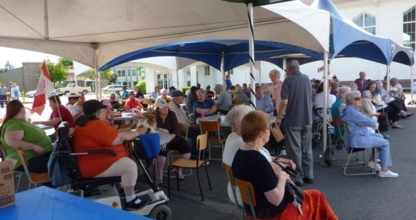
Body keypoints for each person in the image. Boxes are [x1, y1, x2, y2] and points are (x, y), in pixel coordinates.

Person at [232, 111, 338, 219]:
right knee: (317, 198)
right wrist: (282, 177)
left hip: (256, 210)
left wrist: (276, 176)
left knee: (316, 194)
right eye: (268, 127)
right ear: (261, 133)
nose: (270, 130)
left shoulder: (240, 154)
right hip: (274, 214)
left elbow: (258, 180)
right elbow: (276, 200)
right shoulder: (258, 161)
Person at [71, 100, 148, 210]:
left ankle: (124, 188)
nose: (105, 114)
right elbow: (117, 139)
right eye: (103, 112)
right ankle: (130, 200)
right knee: (130, 167)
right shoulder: (95, 124)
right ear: (97, 114)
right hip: (93, 165)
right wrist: (137, 132)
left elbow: (115, 135)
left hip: (90, 161)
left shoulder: (86, 123)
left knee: (125, 162)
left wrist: (129, 134)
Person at [223, 106, 296, 207]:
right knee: (314, 199)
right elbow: (266, 168)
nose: (270, 130)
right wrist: (282, 175)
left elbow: (266, 160)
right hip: (254, 200)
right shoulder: (243, 147)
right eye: (251, 119)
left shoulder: (243, 144)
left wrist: (283, 161)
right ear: (239, 126)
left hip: (249, 193)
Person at [340, 91, 399, 178]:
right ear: (351, 101)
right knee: (385, 143)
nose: (360, 100)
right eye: (358, 99)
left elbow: (363, 120)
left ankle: (373, 160)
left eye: (360, 98)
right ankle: (384, 170)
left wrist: (371, 117)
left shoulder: (348, 110)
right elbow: (371, 123)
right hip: (357, 138)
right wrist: (375, 116)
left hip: (354, 136)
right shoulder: (352, 112)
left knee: (380, 136)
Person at [276, 60, 313, 187]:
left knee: (295, 149)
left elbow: (284, 102)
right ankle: (309, 175)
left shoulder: (288, 80)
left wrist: (279, 117)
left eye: (285, 70)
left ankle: (299, 175)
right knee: (306, 148)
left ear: (289, 70)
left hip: (294, 119)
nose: (285, 73)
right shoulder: (307, 79)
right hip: (307, 118)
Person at [0, 100, 53, 176]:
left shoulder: (19, 121)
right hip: (22, 160)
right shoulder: (13, 124)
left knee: (57, 157)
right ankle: (49, 187)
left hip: (33, 156)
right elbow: (11, 141)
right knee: (52, 164)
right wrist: (33, 147)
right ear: (21, 109)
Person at [155, 98, 191, 184]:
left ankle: (178, 169)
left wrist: (166, 141)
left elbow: (175, 131)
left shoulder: (172, 114)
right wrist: (160, 129)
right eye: (163, 108)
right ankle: (159, 175)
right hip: (161, 140)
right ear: (158, 109)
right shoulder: (155, 117)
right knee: (161, 155)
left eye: (166, 107)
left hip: (174, 138)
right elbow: (152, 129)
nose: (165, 109)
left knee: (187, 150)